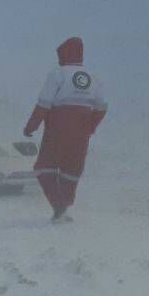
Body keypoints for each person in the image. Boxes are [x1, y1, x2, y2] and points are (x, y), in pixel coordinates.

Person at [24, 37, 107, 223]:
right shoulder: (93, 77)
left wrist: (31, 126)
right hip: (81, 132)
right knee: (72, 170)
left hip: (57, 128)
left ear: (64, 53)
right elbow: (102, 108)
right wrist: (90, 127)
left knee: (44, 167)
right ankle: (64, 207)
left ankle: (59, 206)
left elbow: (44, 104)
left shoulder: (58, 74)